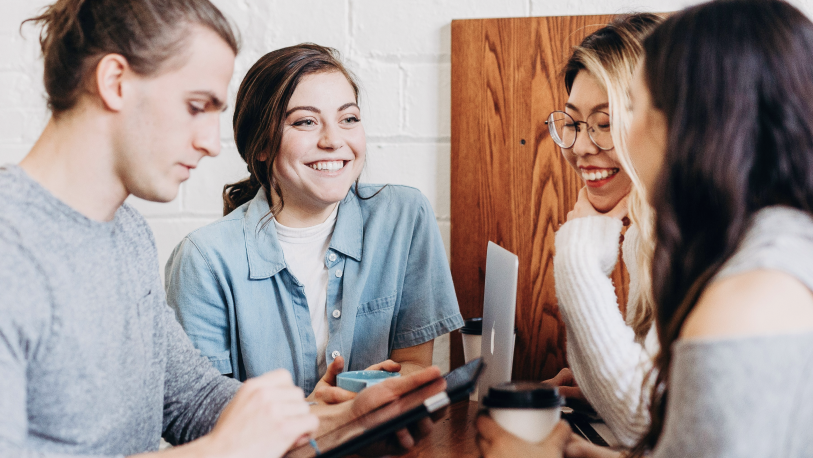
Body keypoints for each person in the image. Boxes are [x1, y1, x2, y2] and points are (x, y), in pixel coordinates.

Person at [0, 1, 443, 457]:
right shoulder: (11, 250)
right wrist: (224, 450)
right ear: (115, 82)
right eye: (196, 106)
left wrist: (343, 417)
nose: (212, 144)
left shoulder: (126, 233)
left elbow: (193, 401)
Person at [478, 0, 813, 456]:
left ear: (695, 123)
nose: (585, 146)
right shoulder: (767, 244)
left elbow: (649, 423)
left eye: (628, 110)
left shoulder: (745, 296)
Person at [164, 43, 464, 398]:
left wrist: (372, 397)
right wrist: (321, 417)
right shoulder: (203, 260)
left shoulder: (404, 217)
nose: (334, 140)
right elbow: (204, 413)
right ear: (260, 145)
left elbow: (414, 365)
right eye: (306, 121)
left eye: (348, 118)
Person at [545, 13, 662, 446]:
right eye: (573, 123)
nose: (580, 146)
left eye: (606, 122)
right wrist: (597, 387)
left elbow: (642, 423)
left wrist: (577, 255)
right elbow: (652, 403)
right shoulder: (645, 234)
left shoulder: (696, 237)